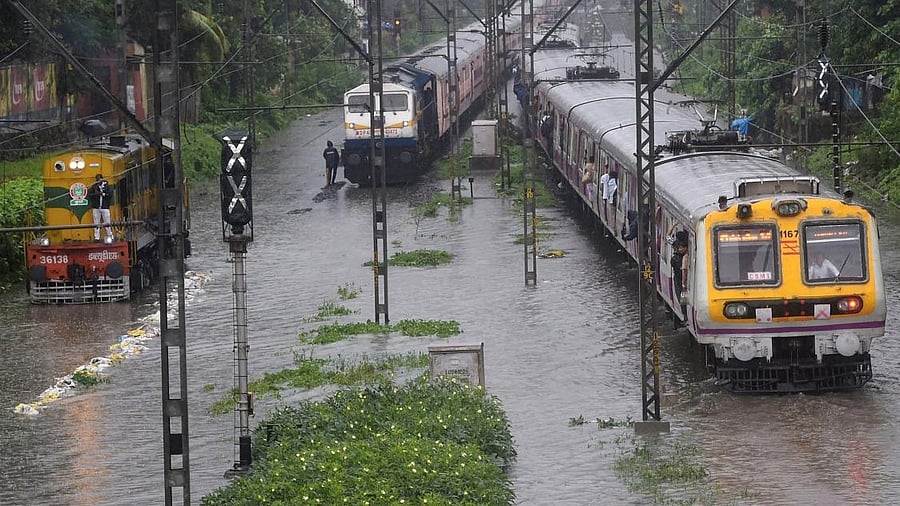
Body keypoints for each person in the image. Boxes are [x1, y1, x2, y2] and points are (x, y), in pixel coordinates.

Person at [87, 174, 113, 241]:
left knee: (107, 222)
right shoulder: (94, 187)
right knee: (96, 223)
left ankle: (110, 235)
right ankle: (97, 237)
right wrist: (95, 194)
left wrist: (102, 194)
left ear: (102, 179)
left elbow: (110, 194)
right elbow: (89, 194)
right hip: (96, 207)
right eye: (97, 179)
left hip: (105, 207)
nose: (98, 180)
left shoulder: (107, 186)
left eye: (99, 179)